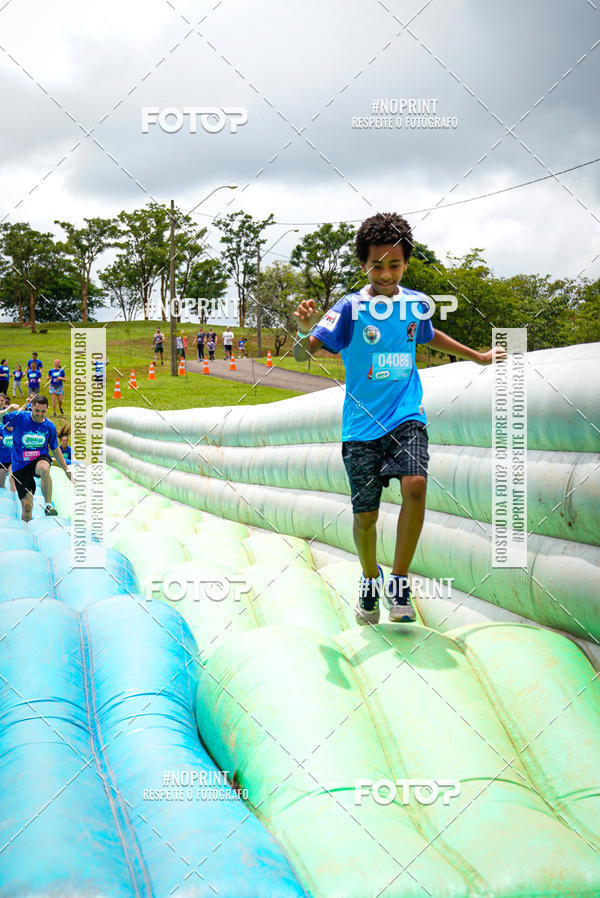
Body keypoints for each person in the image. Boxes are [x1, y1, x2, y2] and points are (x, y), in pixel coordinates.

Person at [293, 211, 507, 626]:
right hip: (360, 427)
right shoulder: (350, 308)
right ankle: (370, 578)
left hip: (406, 415)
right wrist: (304, 329)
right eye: (377, 265)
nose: (386, 273)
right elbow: (307, 353)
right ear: (363, 265)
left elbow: (428, 334)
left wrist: (478, 356)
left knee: (416, 485)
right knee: (366, 517)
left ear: (406, 263)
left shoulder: (413, 304)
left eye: (395, 264)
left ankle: (400, 581)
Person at [0, 394, 71, 520]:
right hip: (20, 465)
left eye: (43, 411)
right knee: (27, 507)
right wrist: (6, 410)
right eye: (37, 410)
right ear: (31, 407)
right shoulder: (20, 417)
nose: (39, 414)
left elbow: (55, 449)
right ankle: (26, 529)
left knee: (44, 468)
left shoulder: (49, 427)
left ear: (47, 409)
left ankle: (48, 505)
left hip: (39, 458)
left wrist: (66, 469)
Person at [0, 395, 13, 489]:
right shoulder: (1, 428)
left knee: (13, 479)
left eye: (2, 400)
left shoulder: (17, 430)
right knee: (1, 485)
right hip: (2, 460)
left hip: (13, 460)